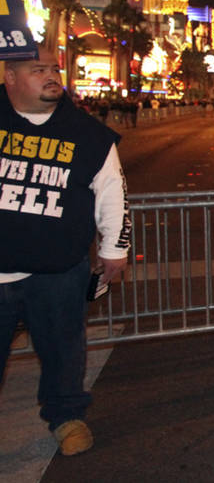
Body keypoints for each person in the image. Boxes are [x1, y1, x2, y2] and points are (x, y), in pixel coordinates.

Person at [0, 50, 130, 456]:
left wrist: (114, 249)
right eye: (38, 70)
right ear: (10, 78)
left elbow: (112, 192)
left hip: (59, 270)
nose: (51, 76)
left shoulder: (87, 133)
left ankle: (67, 416)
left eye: (54, 69)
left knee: (63, 349)